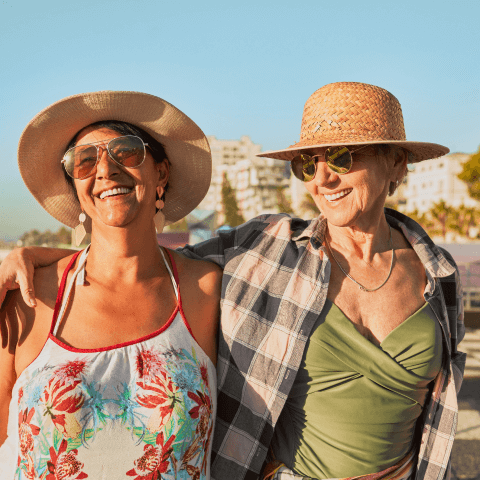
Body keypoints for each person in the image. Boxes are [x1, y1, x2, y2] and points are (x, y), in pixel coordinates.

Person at [0, 82, 466, 480]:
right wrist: (33, 256)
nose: (323, 177)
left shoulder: (439, 274)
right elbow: (131, 259)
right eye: (308, 164)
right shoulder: (267, 249)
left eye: (342, 157)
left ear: (397, 163)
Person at [0, 91, 222, 479]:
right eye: (85, 161)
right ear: (76, 187)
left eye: (126, 152)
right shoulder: (29, 297)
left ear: (161, 174)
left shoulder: (207, 291)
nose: (105, 170)